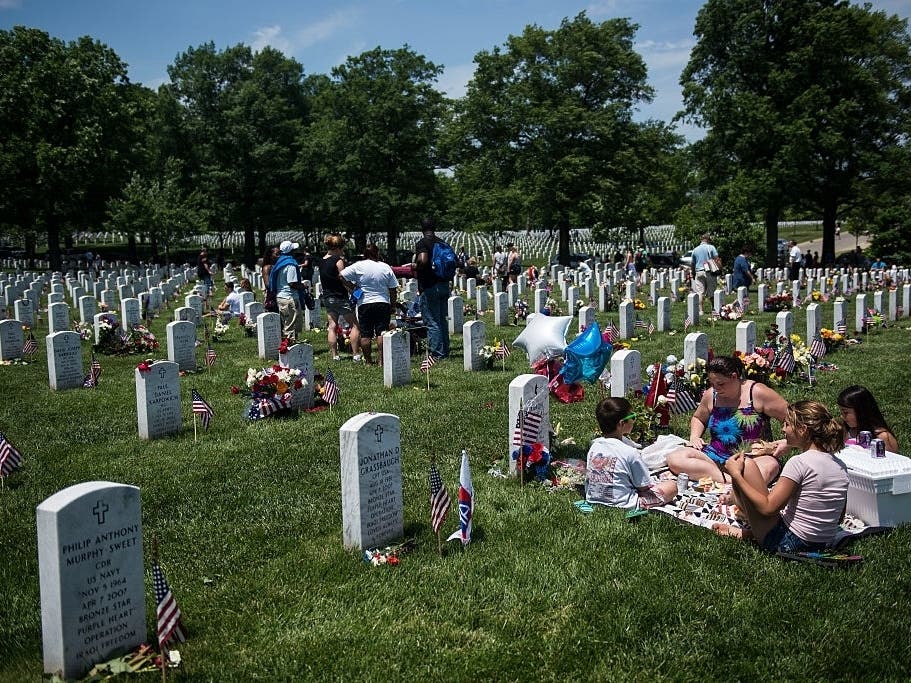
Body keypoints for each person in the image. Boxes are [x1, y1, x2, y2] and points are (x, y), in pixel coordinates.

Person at [718, 400, 848, 553]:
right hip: (824, 543)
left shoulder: (800, 462)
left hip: (789, 543)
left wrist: (735, 475)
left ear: (803, 430)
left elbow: (768, 509)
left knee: (746, 466)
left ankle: (751, 530)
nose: (782, 429)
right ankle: (749, 533)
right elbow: (839, 517)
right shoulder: (841, 466)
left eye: (787, 424)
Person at [666, 355, 790, 485]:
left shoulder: (757, 392)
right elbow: (698, 418)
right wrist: (694, 437)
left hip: (752, 458)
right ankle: (730, 481)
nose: (716, 389)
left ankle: (736, 480)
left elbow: (793, 419)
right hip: (715, 456)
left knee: (769, 466)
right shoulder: (711, 395)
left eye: (720, 384)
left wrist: (787, 442)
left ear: (734, 377)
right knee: (675, 458)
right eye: (712, 384)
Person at [586, 397, 678, 509]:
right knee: (671, 486)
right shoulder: (630, 452)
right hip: (623, 503)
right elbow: (643, 487)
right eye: (632, 417)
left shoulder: (594, 446)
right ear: (621, 424)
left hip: (594, 497)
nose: (634, 420)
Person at [341, 243, 398, 366]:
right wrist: (393, 305)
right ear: (377, 253)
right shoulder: (385, 267)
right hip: (382, 302)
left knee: (366, 334)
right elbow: (393, 289)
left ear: (364, 254)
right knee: (381, 332)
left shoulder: (358, 266)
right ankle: (381, 361)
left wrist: (353, 288)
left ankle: (368, 361)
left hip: (365, 303)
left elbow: (341, 275)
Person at [320, 234, 361, 361]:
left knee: (332, 326)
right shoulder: (338, 260)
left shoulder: (322, 260)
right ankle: (356, 354)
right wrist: (354, 288)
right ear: (338, 247)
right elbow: (343, 277)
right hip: (339, 296)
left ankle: (335, 355)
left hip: (327, 296)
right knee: (355, 325)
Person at [414, 217, 451, 360]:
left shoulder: (423, 243)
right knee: (441, 319)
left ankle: (436, 353)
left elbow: (423, 260)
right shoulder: (442, 243)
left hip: (430, 286)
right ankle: (445, 350)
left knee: (431, 321)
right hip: (443, 284)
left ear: (422, 229)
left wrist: (415, 266)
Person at [837, 385, 898, 453]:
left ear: (861, 411)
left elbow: (892, 460)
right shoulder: (846, 431)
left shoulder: (882, 437)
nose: (842, 416)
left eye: (845, 412)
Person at [271, 240, 304, 342]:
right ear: (291, 251)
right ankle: (290, 347)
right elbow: (292, 283)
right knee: (291, 325)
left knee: (287, 323)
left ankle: (288, 345)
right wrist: (302, 286)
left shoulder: (280, 262)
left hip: (281, 296)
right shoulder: (291, 265)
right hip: (290, 297)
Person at [691, 233, 720, 303]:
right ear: (708, 240)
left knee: (700, 293)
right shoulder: (711, 247)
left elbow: (692, 264)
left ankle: (701, 310)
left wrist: (693, 273)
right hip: (710, 271)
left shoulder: (695, 249)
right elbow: (717, 259)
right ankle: (714, 308)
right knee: (712, 292)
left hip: (699, 271)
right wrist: (719, 269)